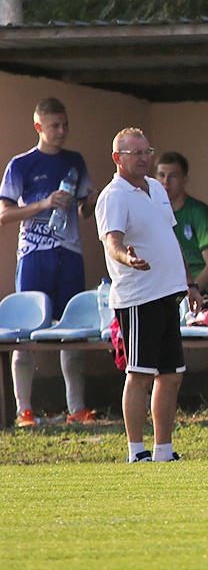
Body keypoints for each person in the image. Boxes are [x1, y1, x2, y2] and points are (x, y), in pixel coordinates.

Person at [95, 128, 202, 463]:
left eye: (146, 152)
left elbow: (171, 239)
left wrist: (190, 282)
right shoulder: (113, 196)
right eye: (135, 153)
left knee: (171, 376)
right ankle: (136, 451)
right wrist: (128, 258)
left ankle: (163, 451)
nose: (143, 158)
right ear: (118, 158)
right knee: (140, 373)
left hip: (168, 294)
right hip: (139, 297)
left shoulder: (155, 188)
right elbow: (111, 241)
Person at [0, 97, 98, 427]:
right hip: (33, 256)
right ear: (39, 127)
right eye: (55, 126)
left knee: (73, 330)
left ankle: (77, 408)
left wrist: (89, 202)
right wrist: (44, 202)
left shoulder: (75, 161)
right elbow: (4, 214)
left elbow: (84, 211)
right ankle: (24, 410)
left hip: (69, 254)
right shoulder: (21, 164)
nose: (62, 131)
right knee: (24, 333)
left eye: (65, 125)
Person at [155, 151, 208, 293]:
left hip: (205, 293)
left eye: (173, 176)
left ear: (184, 180)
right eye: (161, 175)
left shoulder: (199, 213)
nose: (166, 182)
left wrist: (190, 292)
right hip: (171, 292)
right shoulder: (156, 215)